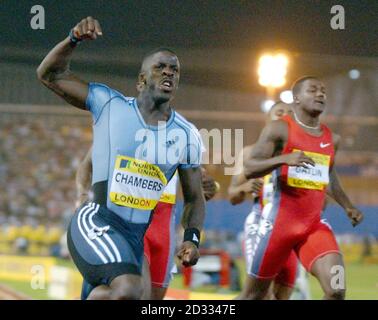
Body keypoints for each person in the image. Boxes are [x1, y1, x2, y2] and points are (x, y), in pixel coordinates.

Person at [37, 17, 206, 300]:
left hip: (133, 237)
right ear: (141, 80)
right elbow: (49, 75)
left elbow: (194, 198)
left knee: (143, 299)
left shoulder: (186, 135)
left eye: (174, 70)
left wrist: (192, 239)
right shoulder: (109, 105)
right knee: (129, 288)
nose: (169, 73)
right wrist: (73, 39)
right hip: (97, 221)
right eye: (160, 67)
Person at [243, 76, 364, 300]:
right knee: (253, 297)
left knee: (336, 290)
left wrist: (348, 206)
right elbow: (250, 167)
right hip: (278, 226)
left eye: (323, 91)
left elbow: (328, 174)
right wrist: (284, 159)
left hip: (313, 225)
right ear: (296, 98)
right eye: (313, 90)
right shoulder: (279, 129)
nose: (320, 94)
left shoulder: (331, 138)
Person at [76, 146, 218, 299]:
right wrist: (82, 197)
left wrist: (204, 186)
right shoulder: (121, 125)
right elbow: (86, 164)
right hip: (129, 222)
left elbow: (195, 186)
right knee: (136, 292)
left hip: (163, 228)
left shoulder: (182, 134)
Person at [228, 101, 298, 300]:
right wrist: (245, 187)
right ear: (268, 120)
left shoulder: (299, 156)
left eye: (290, 113)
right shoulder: (251, 154)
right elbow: (233, 194)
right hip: (259, 226)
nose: (285, 116)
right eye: (279, 112)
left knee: (283, 294)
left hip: (289, 230)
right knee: (259, 293)